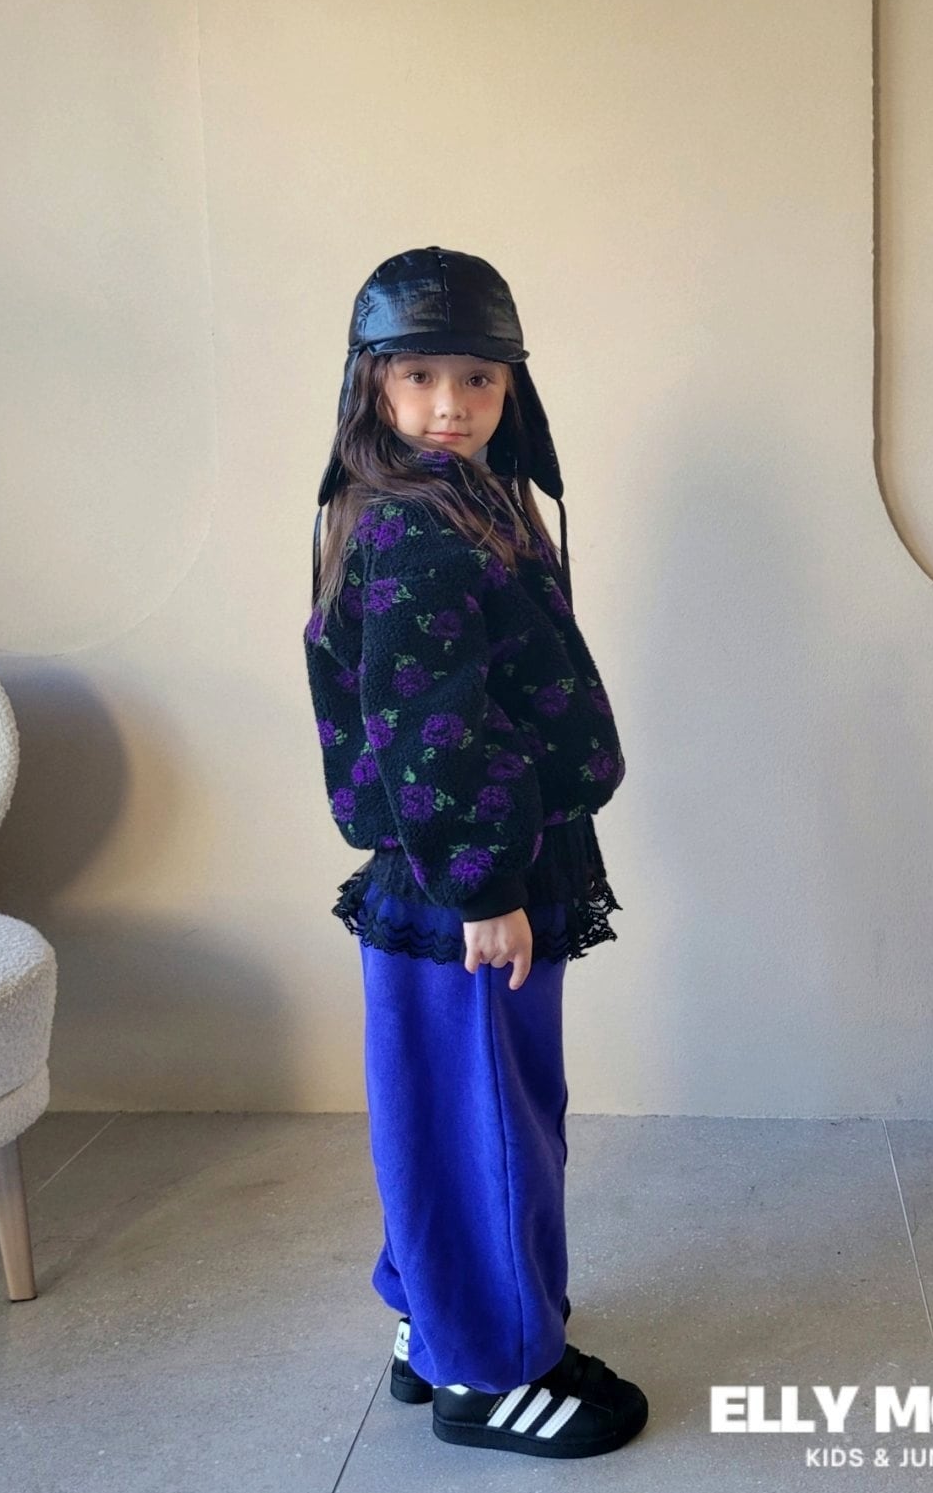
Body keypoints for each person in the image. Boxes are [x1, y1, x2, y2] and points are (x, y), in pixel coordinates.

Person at [302, 246, 649, 1458]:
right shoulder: (415, 528)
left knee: (454, 1116)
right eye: (420, 377)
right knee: (487, 1125)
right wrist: (483, 885)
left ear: (512, 387)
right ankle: (489, 1374)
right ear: (372, 384)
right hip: (463, 884)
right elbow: (426, 722)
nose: (451, 404)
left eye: (480, 378)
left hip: (466, 870)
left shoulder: (463, 501)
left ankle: (436, 1320)